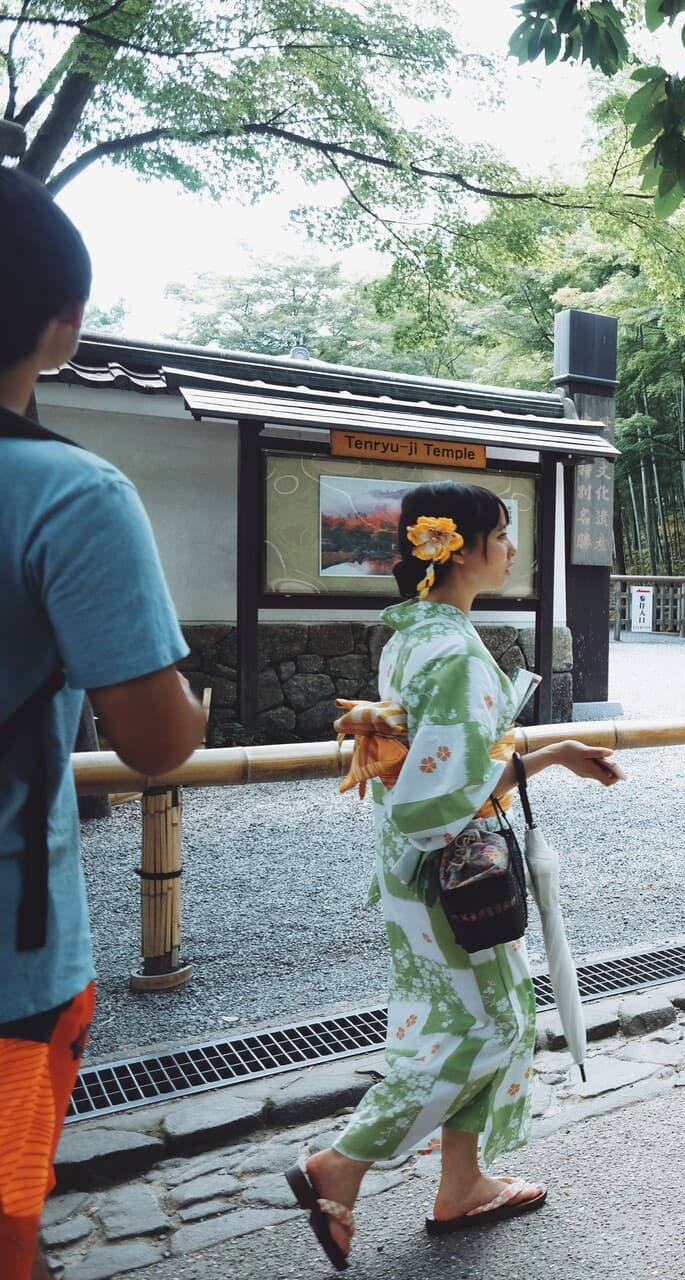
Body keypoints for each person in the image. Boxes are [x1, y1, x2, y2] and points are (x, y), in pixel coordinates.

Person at [290, 482, 625, 1269]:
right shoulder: (455, 652)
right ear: (462, 548)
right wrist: (536, 761)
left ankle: (463, 1183)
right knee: (488, 1026)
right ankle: (343, 1165)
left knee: (461, 1019)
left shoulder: (410, 638)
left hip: (413, 872)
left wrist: (554, 755)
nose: (510, 549)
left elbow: (448, 775)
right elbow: (450, 796)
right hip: (452, 871)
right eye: (502, 535)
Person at [0, 166, 207, 1280]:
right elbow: (157, 738)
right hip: (11, 962)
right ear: (63, 326)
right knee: (5, 1218)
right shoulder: (69, 494)